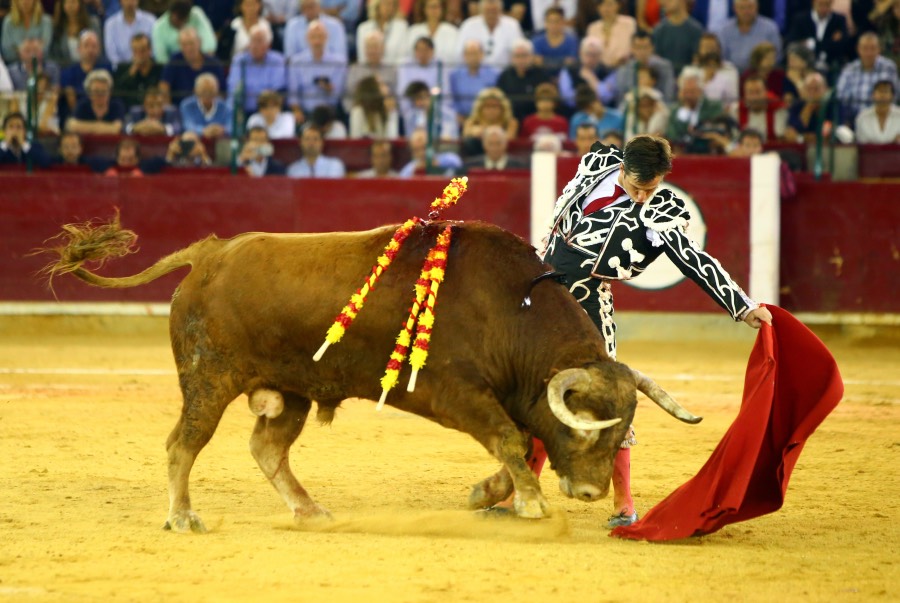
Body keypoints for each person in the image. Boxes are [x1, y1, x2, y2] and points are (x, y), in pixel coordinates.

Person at [505, 134, 771, 528]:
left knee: (611, 399)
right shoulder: (598, 163)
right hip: (545, 296)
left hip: (588, 306)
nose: (644, 197)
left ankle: (624, 504)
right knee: (535, 392)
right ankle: (522, 493)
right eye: (636, 187)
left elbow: (694, 261)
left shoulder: (661, 212)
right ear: (622, 168)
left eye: (652, 187)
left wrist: (743, 306)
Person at [287, 20, 347, 126]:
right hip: (304, 113)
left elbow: (338, 95)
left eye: (320, 37)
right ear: (307, 39)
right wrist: (297, 111)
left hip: (330, 113)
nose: (317, 42)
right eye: (313, 37)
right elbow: (293, 93)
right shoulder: (296, 62)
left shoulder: (339, 63)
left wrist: (329, 88)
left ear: (326, 38)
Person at [836, 32, 900, 125]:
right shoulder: (849, 69)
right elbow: (841, 96)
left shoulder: (889, 67)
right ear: (858, 49)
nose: (869, 53)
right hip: (854, 118)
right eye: (865, 48)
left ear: (879, 49)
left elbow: (896, 95)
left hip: (884, 117)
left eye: (873, 48)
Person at [227, 21, 286, 115]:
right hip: (242, 110)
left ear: (268, 45)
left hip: (267, 110)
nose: (254, 45)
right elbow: (234, 87)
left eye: (259, 41)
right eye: (252, 40)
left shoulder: (277, 60)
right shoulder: (239, 60)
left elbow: (276, 90)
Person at [159, 26, 226, 105]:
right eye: (184, 44)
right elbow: (164, 87)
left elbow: (222, 93)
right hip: (178, 111)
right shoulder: (174, 61)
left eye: (191, 43)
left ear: (199, 42)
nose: (188, 48)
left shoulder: (214, 63)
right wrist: (169, 109)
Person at [712, 0, 782, 74]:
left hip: (761, 74)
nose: (746, 11)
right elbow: (721, 56)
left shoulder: (770, 28)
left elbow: (777, 56)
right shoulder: (724, 29)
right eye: (742, 8)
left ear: (757, 7)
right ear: (734, 9)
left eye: (750, 7)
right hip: (731, 75)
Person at [785, 0, 851, 78]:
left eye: (827, 5)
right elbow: (792, 44)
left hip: (831, 65)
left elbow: (842, 46)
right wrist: (830, 42)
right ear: (813, 3)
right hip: (806, 66)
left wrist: (811, 43)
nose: (824, 8)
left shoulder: (839, 20)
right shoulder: (801, 19)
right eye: (820, 4)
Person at [455, 0, 524, 68]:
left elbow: (520, 52)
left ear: (500, 10)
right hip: (475, 73)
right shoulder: (468, 25)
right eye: (488, 10)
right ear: (481, 10)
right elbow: (459, 53)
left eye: (494, 10)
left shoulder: (512, 25)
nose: (491, 13)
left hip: (506, 74)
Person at [495, 39, 550, 123]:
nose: (521, 60)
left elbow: (547, 100)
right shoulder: (504, 76)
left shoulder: (541, 76)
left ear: (532, 56)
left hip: (535, 120)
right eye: (517, 56)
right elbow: (499, 100)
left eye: (524, 56)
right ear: (512, 58)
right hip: (509, 119)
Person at [614, 30, 675, 106]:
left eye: (645, 47)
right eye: (638, 47)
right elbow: (621, 99)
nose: (642, 51)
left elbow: (668, 95)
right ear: (632, 48)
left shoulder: (665, 67)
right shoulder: (624, 70)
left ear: (652, 48)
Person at [343, 29, 397, 112]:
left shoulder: (391, 70)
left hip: (385, 112)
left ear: (383, 49)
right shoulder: (355, 69)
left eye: (375, 47)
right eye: (369, 47)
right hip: (360, 112)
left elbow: (396, 96)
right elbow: (348, 96)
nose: (372, 51)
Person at [449, 39, 498, 123]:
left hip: (487, 119)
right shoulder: (455, 75)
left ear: (482, 55)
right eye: (469, 54)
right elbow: (451, 99)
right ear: (464, 56)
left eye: (475, 53)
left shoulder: (494, 75)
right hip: (461, 119)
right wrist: (458, 116)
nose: (472, 57)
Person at [151, 0, 217, 63]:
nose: (181, 23)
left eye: (184, 20)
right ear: (171, 13)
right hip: (174, 67)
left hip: (198, 63)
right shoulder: (158, 27)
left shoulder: (197, 14)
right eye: (178, 19)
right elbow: (161, 59)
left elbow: (210, 46)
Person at [650, 0, 704, 76]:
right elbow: (656, 63)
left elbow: (696, 63)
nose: (663, 2)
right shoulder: (659, 30)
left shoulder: (696, 30)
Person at [65, 68, 125, 134]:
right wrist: (103, 127)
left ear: (110, 92)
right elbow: (72, 126)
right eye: (96, 91)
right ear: (88, 93)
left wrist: (85, 127)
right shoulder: (83, 104)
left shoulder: (116, 105)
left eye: (104, 91)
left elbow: (116, 129)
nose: (100, 94)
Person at [730, 73, 787, 142]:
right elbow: (733, 140)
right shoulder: (735, 111)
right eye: (750, 92)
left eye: (758, 92)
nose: (755, 97)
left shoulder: (778, 110)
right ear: (745, 95)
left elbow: (781, 139)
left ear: (766, 92)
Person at [112, 32, 162, 110]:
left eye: (142, 50)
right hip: (129, 113)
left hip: (154, 111)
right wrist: (130, 74)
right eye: (135, 51)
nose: (139, 55)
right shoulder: (123, 69)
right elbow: (116, 94)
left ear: (150, 50)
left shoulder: (160, 69)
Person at [585, 0, 636, 70]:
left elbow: (633, 48)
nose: (606, 9)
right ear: (598, 8)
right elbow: (588, 53)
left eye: (610, 5)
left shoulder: (629, 23)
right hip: (599, 70)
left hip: (624, 67)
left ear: (618, 6)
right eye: (603, 5)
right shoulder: (592, 28)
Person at [49, 0, 103, 66]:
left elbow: (100, 49)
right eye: (67, 2)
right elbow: (54, 55)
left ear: (80, 4)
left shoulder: (93, 23)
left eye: (73, 2)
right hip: (66, 69)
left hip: (92, 67)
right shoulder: (58, 28)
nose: (70, 6)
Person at [104, 0, 156, 68]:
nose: (130, 2)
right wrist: (124, 67)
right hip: (121, 70)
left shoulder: (151, 21)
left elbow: (154, 48)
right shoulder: (110, 24)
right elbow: (111, 53)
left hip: (146, 67)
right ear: (120, 1)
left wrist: (141, 62)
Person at [355, 0, 409, 65]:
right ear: (377, 5)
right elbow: (362, 57)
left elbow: (402, 57)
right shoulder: (363, 28)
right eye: (386, 3)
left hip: (393, 71)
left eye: (392, 5)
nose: (389, 7)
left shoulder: (401, 27)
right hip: (369, 71)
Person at [179, 72, 232, 137]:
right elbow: (187, 126)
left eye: (211, 91)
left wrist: (222, 130)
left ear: (217, 91)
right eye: (204, 91)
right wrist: (203, 131)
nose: (208, 95)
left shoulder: (226, 107)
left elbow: (232, 127)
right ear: (196, 91)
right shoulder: (186, 105)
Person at [406, 0, 459, 65]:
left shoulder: (452, 31)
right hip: (418, 73)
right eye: (431, 7)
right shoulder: (414, 31)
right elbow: (409, 55)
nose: (434, 10)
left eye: (437, 7)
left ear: (442, 9)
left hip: (445, 72)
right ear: (424, 9)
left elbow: (456, 57)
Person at [530, 6, 578, 70]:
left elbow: (571, 62)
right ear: (545, 23)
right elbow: (536, 61)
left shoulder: (572, 41)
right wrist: (562, 61)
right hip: (542, 77)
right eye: (550, 21)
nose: (553, 25)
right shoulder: (537, 41)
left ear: (563, 22)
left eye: (556, 21)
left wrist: (544, 60)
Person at [462, 124, 527, 170]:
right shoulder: (470, 166)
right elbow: (457, 188)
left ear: (505, 145)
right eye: (491, 144)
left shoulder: (520, 167)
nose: (494, 148)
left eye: (498, 143)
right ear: (484, 145)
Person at [854, 78, 900, 143]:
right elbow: (861, 142)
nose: (882, 95)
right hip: (869, 152)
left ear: (892, 96)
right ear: (873, 95)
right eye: (879, 91)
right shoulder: (862, 116)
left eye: (886, 91)